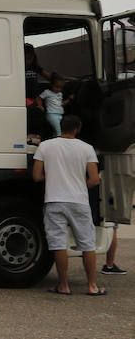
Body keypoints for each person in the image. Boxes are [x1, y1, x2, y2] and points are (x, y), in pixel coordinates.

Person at [33, 115, 104, 295]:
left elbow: (36, 176)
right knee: (87, 244)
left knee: (58, 244)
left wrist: (54, 178)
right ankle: (92, 286)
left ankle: (63, 286)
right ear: (77, 129)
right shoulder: (87, 148)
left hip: (54, 200)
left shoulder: (45, 146)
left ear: (61, 127)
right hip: (78, 201)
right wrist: (79, 184)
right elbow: (95, 179)